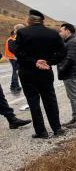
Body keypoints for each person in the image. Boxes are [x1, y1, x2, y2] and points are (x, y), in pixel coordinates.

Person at [14, 9, 66, 139]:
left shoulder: (22, 32)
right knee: (50, 100)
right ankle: (57, 128)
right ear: (42, 21)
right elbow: (62, 52)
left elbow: (18, 53)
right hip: (45, 71)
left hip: (27, 72)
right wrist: (49, 62)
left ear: (29, 21)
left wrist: (34, 62)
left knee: (33, 102)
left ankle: (41, 131)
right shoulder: (53, 34)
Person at [57, 23, 76, 128]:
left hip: (70, 73)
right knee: (71, 96)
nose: (60, 33)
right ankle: (75, 118)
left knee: (74, 96)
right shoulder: (69, 41)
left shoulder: (72, 42)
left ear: (68, 31)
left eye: (61, 31)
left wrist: (61, 68)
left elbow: (70, 58)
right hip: (70, 72)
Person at [4, 25, 24, 94]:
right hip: (13, 58)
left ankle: (14, 85)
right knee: (15, 72)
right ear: (13, 34)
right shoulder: (11, 40)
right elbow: (11, 49)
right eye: (15, 34)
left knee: (15, 71)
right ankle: (15, 86)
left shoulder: (11, 39)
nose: (15, 35)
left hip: (13, 57)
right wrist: (16, 55)